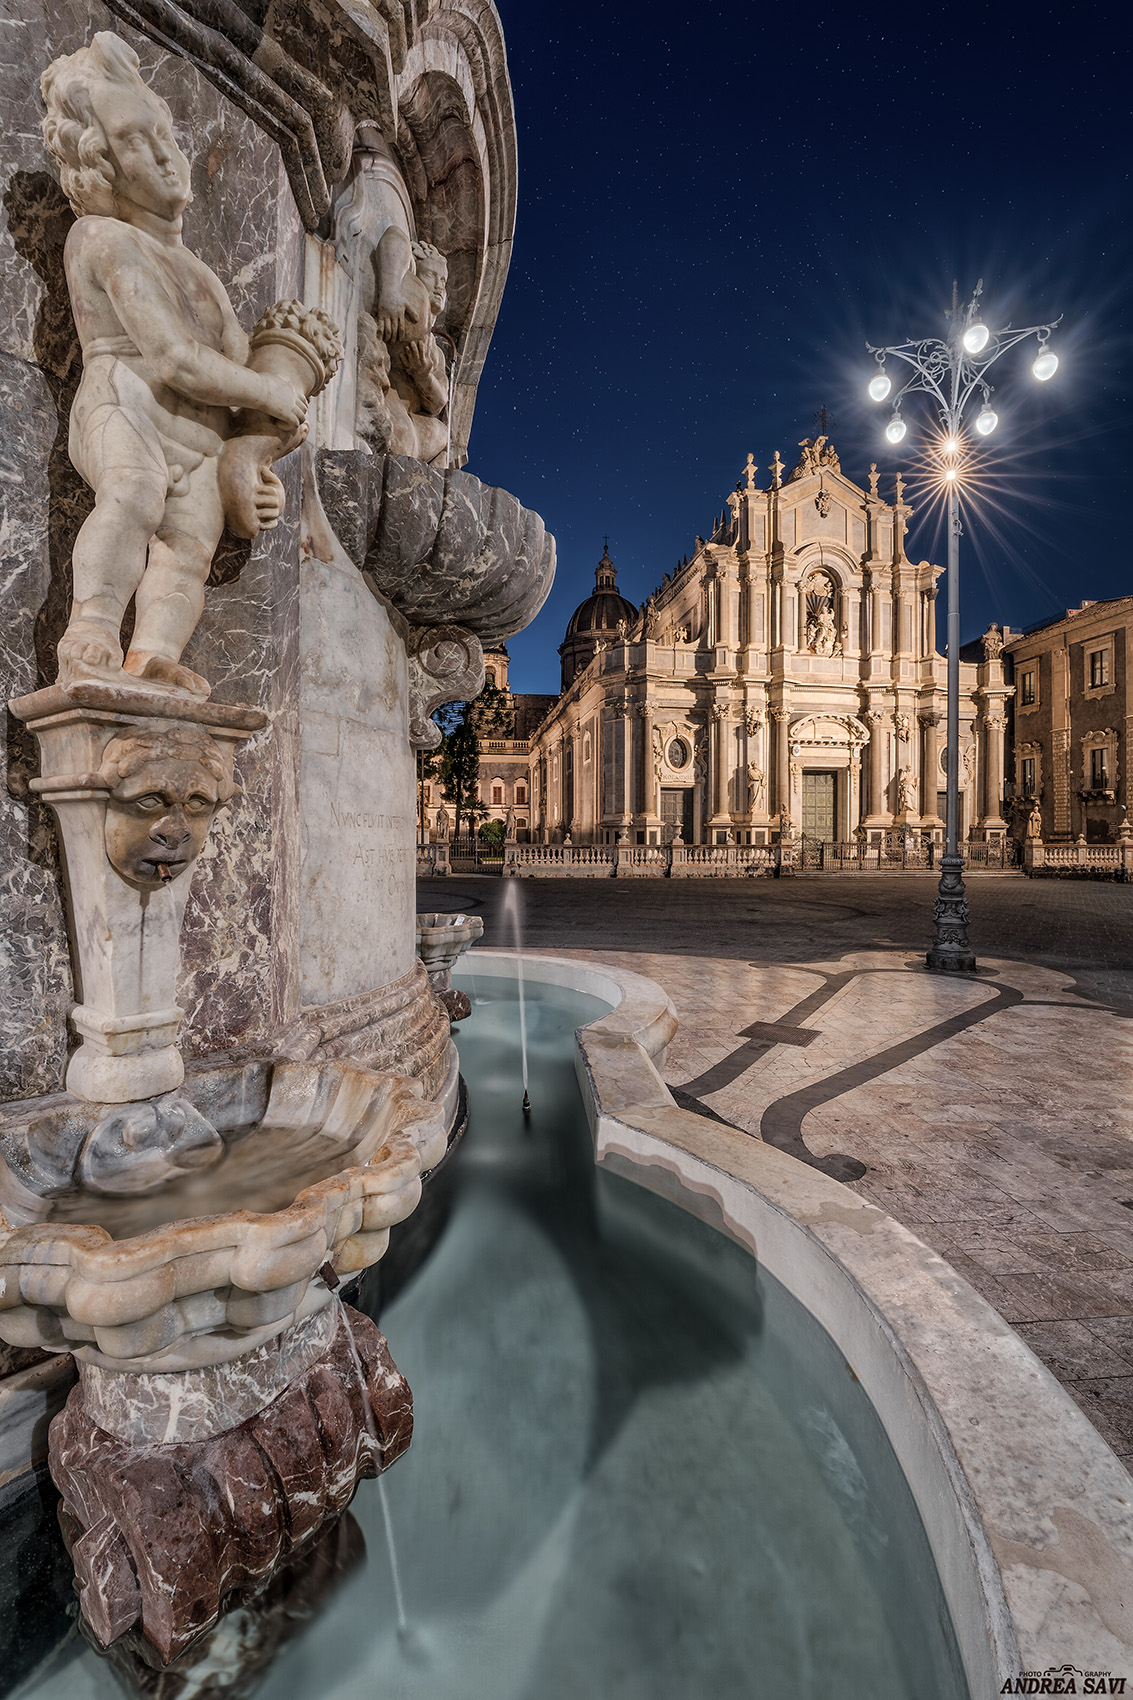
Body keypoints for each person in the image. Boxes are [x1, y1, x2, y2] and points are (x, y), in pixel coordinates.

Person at [41, 33, 308, 698]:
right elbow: (173, 358)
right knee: (130, 495)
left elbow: (252, 396)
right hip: (124, 405)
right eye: (137, 139)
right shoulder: (101, 237)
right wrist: (272, 391)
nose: (165, 153)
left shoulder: (203, 277)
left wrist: (260, 452)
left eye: (167, 134)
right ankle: (92, 630)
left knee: (189, 550)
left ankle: (151, 654)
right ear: (101, 161)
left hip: (201, 445)